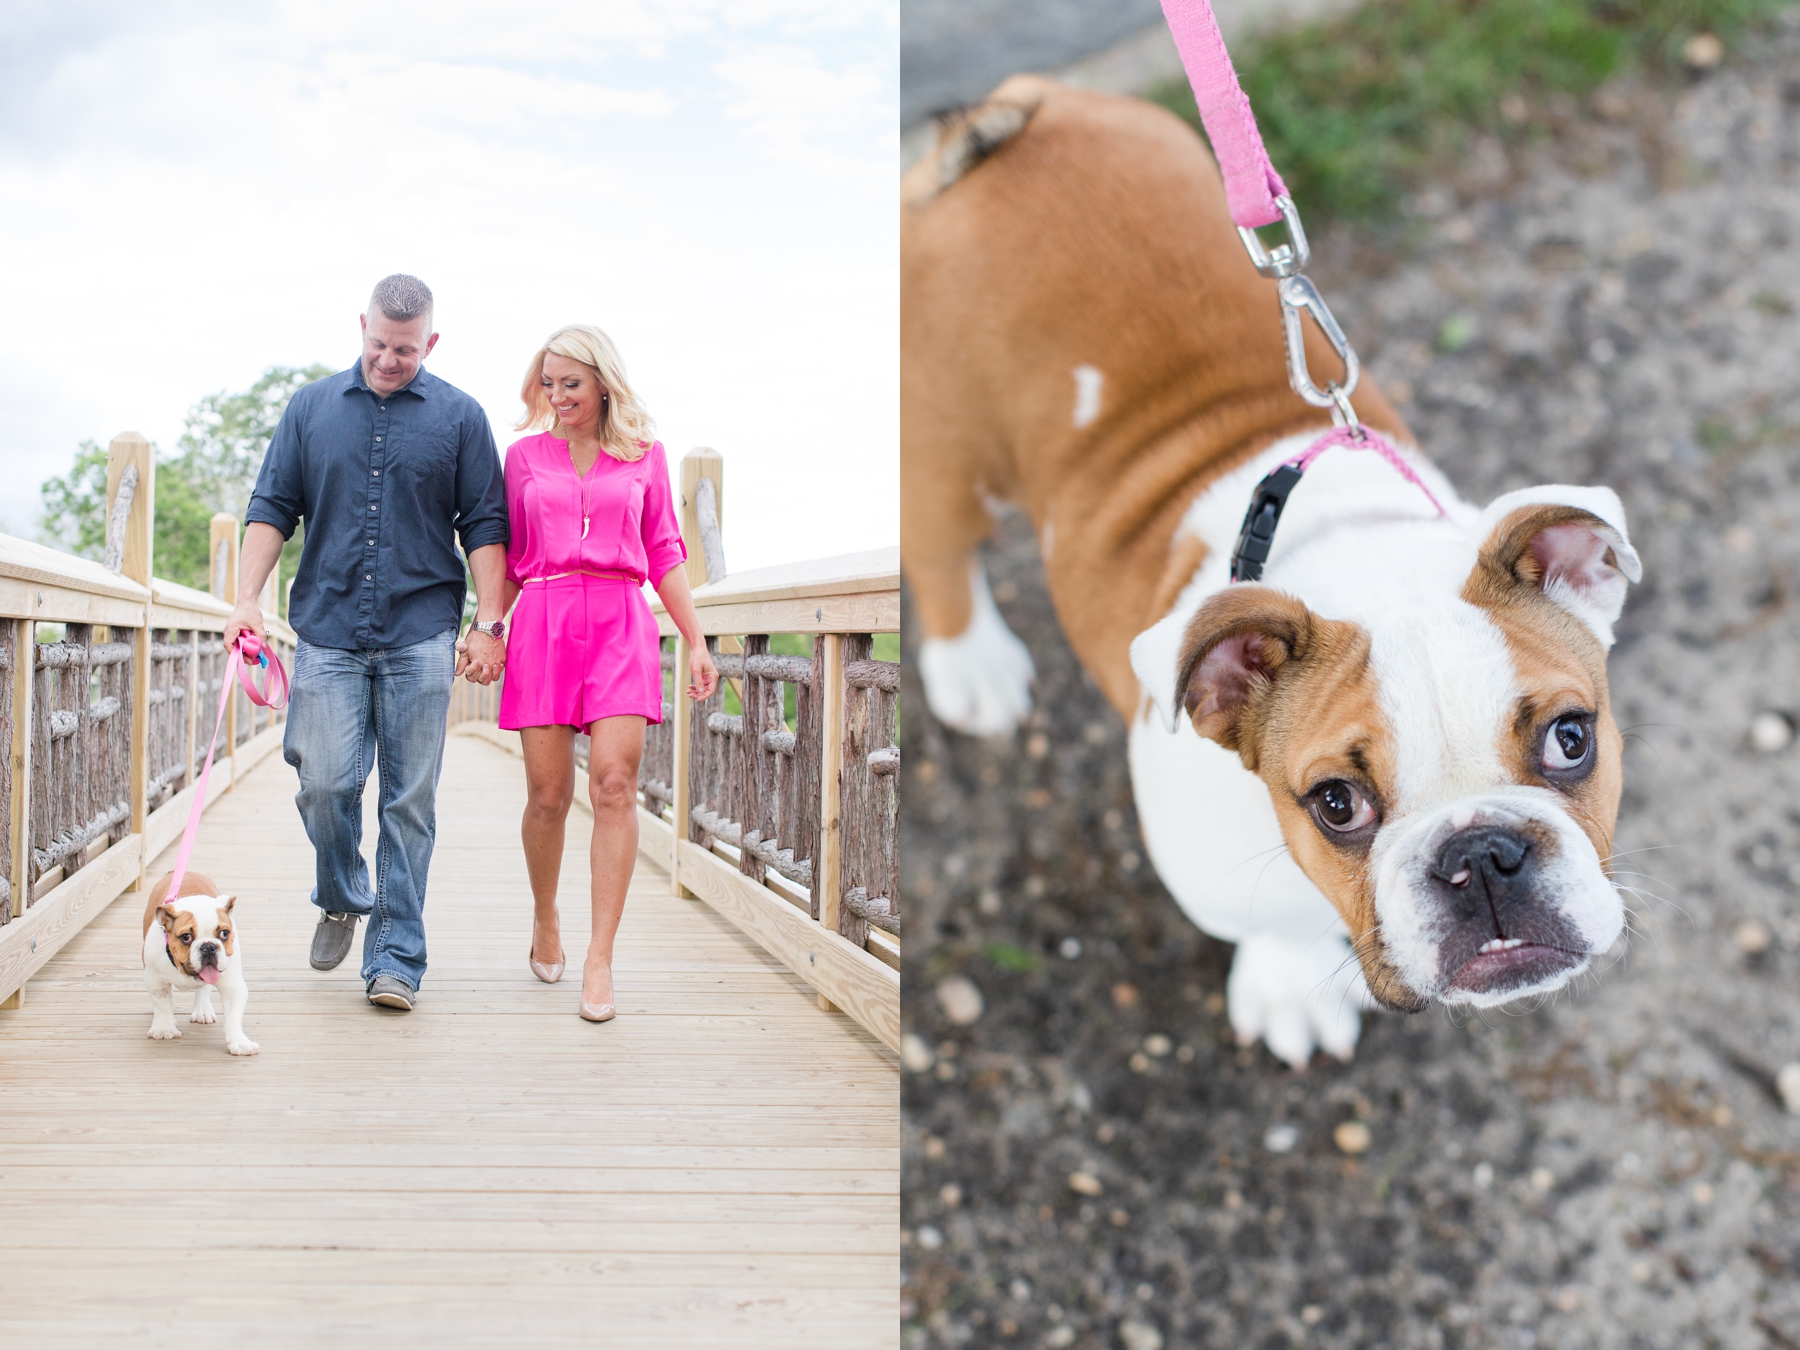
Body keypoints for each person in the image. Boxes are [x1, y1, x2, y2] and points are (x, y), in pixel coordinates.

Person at [227, 274, 509, 1013]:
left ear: (432, 343)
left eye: (406, 351)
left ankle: (396, 959)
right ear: (362, 326)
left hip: (422, 630)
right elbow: (272, 507)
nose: (389, 359)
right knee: (324, 783)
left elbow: (485, 525)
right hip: (327, 627)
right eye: (379, 344)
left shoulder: (461, 417)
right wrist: (246, 600)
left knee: (408, 803)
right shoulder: (311, 408)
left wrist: (489, 621)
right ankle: (342, 893)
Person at [498, 324, 717, 1021]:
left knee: (615, 785)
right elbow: (508, 559)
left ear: (602, 384)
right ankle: (544, 915)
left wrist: (696, 638)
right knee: (547, 796)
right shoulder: (524, 457)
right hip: (544, 620)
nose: (558, 396)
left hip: (623, 622)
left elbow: (665, 551)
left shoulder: (644, 457)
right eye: (549, 383)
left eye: (571, 383)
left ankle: (600, 960)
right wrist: (488, 630)